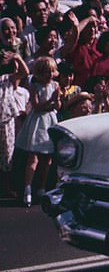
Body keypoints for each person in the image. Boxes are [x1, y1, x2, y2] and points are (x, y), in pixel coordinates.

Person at [15, 56, 61, 206]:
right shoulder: (35, 87)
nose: (50, 75)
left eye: (52, 71)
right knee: (33, 157)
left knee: (47, 158)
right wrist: (50, 101)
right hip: (38, 121)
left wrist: (57, 100)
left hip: (50, 121)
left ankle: (41, 187)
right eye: (46, 72)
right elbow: (37, 106)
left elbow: (57, 106)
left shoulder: (55, 85)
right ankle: (28, 188)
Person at [0, 51, 29, 198]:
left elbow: (25, 72)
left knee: (7, 155)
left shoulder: (7, 79)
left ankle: (6, 186)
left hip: (6, 122)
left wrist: (17, 57)